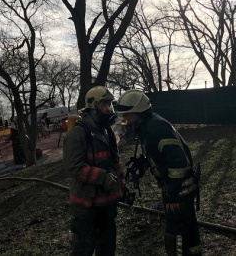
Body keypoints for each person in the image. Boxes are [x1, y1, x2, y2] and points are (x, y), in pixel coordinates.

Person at [116, 89, 201, 256]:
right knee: (188, 228)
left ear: (139, 112)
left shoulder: (156, 129)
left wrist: (173, 197)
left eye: (128, 116)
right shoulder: (150, 126)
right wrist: (146, 162)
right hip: (181, 188)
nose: (125, 121)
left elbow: (178, 164)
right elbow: (165, 156)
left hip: (180, 190)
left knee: (176, 233)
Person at [63, 86, 124, 256]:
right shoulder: (78, 134)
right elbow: (73, 167)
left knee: (107, 247)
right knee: (84, 248)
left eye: (111, 106)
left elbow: (113, 161)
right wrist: (103, 177)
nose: (109, 111)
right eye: (106, 106)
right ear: (94, 107)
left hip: (107, 203)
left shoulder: (106, 132)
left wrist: (121, 182)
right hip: (86, 207)